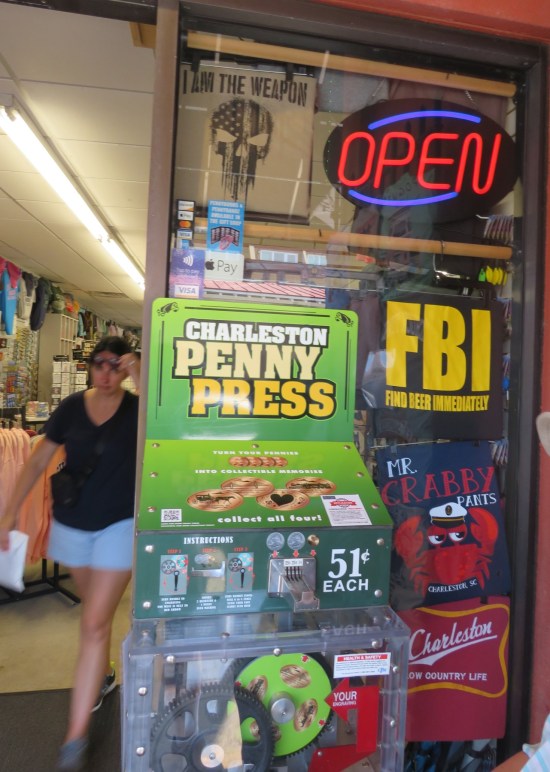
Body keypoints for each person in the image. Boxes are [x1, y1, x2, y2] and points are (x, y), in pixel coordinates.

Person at [0, 336, 140, 771]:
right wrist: (6, 516)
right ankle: (103, 672)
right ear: (89, 366)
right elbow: (37, 462)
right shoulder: (71, 409)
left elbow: (168, 418)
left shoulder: (138, 411)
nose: (106, 372)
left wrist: (141, 372)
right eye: (99, 363)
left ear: (126, 369)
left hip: (119, 526)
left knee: (95, 624)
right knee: (92, 622)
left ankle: (74, 738)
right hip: (71, 526)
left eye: (116, 365)